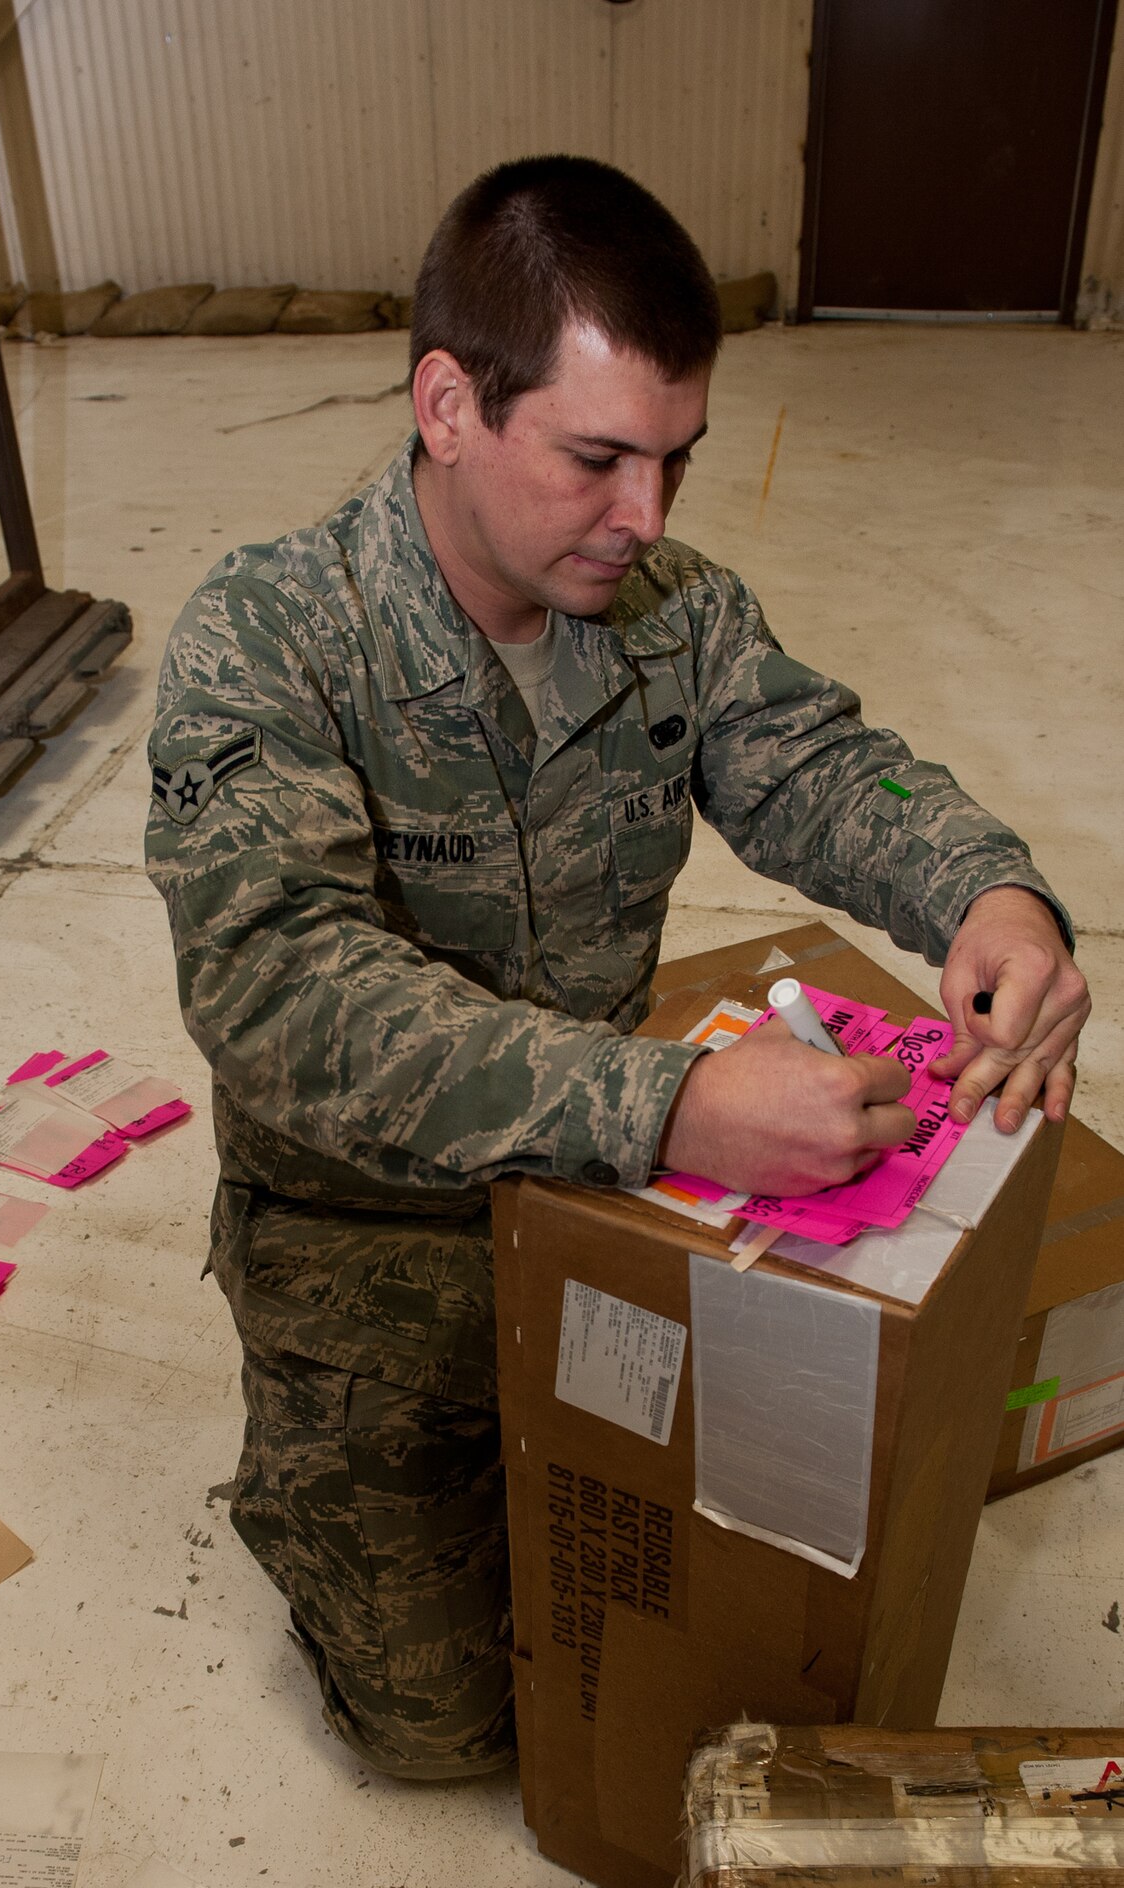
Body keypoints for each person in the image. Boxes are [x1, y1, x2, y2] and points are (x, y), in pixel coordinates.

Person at [145, 156, 1089, 1781]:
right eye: (596, 459)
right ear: (448, 403)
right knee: (447, 1739)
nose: (647, 517)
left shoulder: (669, 612)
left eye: (675, 460)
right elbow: (278, 993)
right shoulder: (271, 639)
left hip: (609, 1194)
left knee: (742, 1625)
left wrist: (989, 892)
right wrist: (673, 1109)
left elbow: (816, 763)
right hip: (374, 1234)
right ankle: (305, 1471)